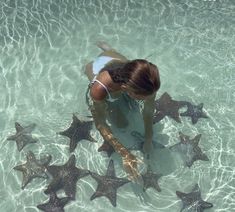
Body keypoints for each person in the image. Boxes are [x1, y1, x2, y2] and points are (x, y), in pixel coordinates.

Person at [85, 41, 160, 181]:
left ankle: (107, 47)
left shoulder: (146, 77)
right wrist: (124, 153)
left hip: (118, 60)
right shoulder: (99, 90)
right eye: (142, 97)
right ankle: (98, 53)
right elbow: (100, 123)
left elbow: (149, 111)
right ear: (126, 89)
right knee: (120, 123)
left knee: (112, 52)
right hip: (96, 68)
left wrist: (149, 138)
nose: (149, 99)